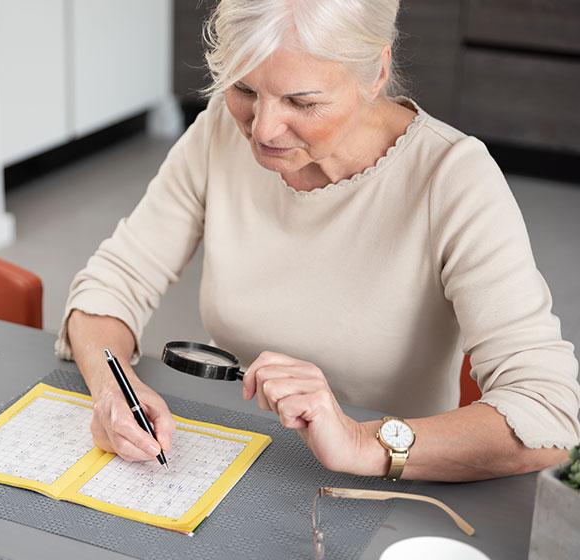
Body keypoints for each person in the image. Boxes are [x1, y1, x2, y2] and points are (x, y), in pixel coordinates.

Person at [55, 0, 580, 482]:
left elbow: (549, 414)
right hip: (236, 461)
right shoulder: (219, 130)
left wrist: (362, 443)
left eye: (301, 102)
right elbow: (112, 283)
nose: (262, 130)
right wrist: (111, 391)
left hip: (392, 492)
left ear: (375, 71)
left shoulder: (452, 177)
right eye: (244, 89)